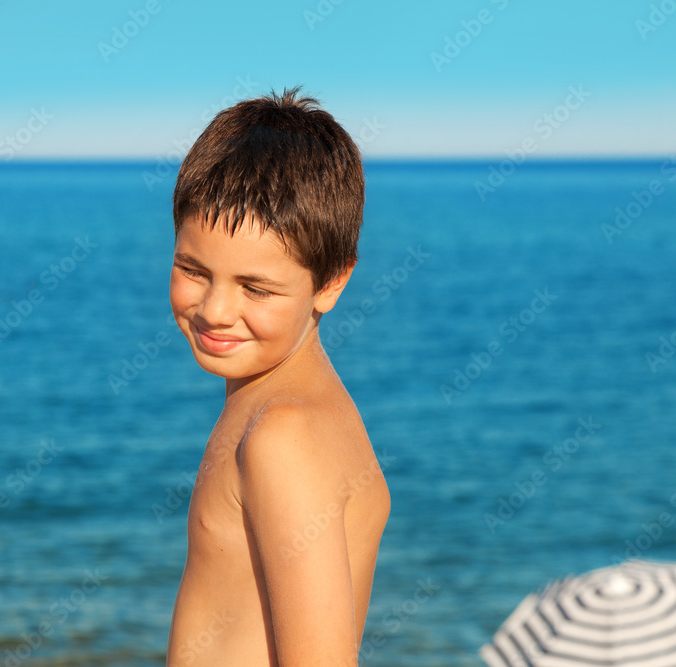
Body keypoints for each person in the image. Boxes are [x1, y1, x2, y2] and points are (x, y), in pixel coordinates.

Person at [165, 87, 390, 666]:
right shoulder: (288, 404)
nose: (216, 310)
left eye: (256, 288)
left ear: (331, 283)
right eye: (193, 270)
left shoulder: (281, 436)